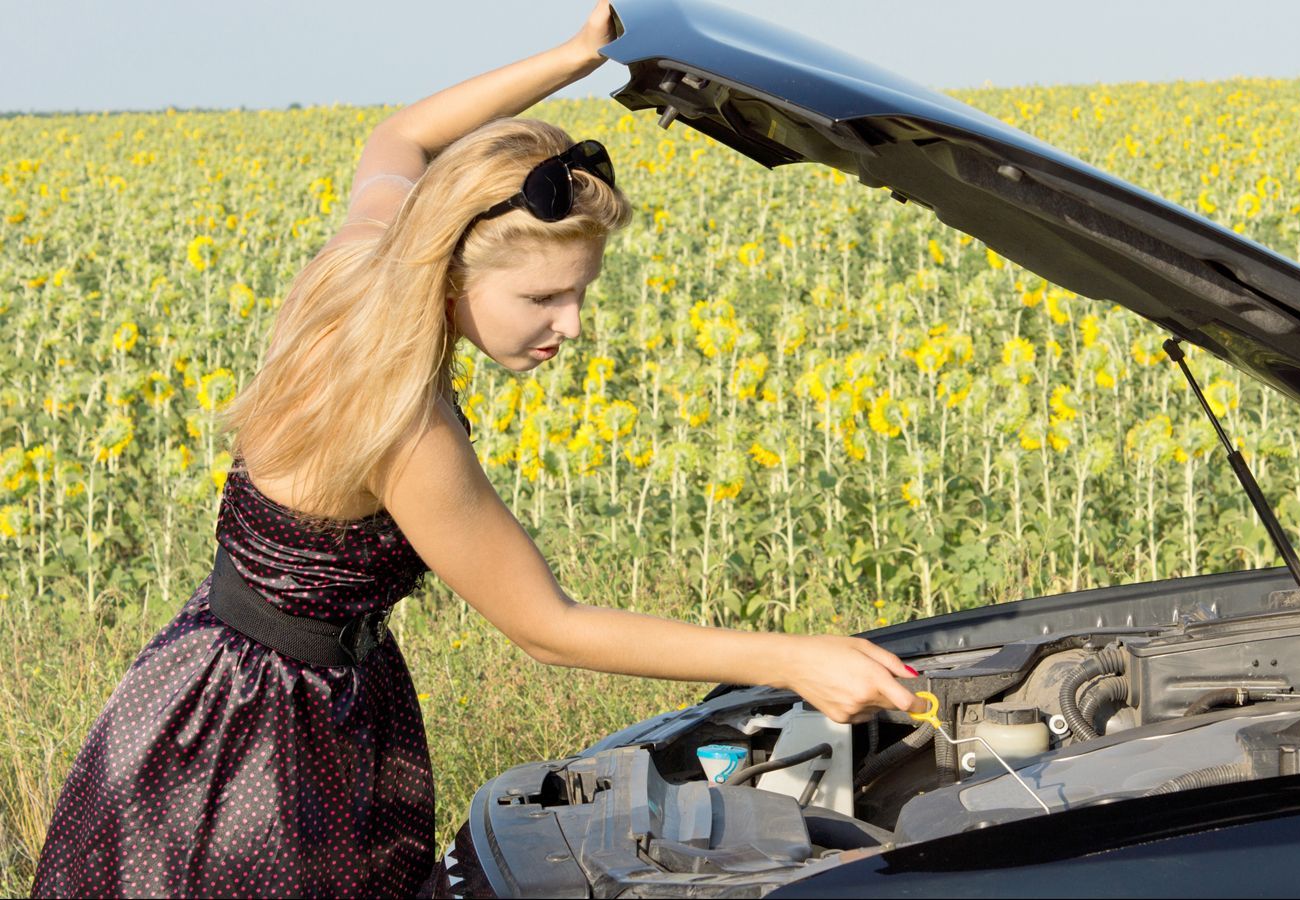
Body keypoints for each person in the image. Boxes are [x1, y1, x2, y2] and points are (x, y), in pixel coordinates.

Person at [29, 2, 923, 897]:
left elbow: (402, 136)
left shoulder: (357, 266)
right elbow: (549, 628)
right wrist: (791, 657)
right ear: (452, 266)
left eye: (581, 292)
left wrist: (575, 57)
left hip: (206, 677)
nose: (569, 324)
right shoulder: (400, 421)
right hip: (270, 737)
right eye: (543, 298)